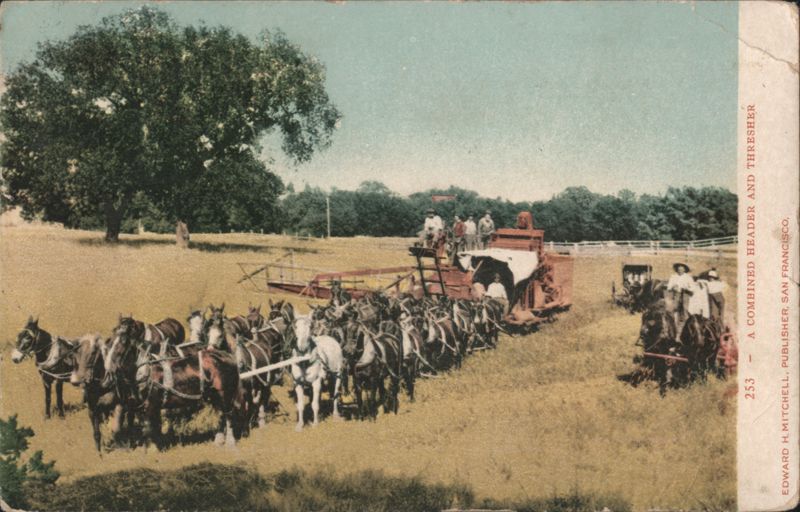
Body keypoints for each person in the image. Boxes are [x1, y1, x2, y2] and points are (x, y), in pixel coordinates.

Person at [666, 262, 694, 335]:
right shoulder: (673, 276)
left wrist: (686, 288)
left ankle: (686, 325)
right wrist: (673, 287)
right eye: (679, 269)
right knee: (674, 309)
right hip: (676, 294)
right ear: (677, 270)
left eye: (682, 269)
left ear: (684, 270)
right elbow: (669, 286)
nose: (680, 270)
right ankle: (673, 324)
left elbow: (693, 288)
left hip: (685, 294)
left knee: (685, 309)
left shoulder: (688, 277)